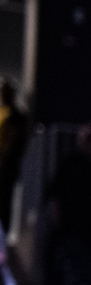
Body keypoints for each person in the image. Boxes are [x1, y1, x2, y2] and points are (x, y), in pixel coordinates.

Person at [0, 79, 32, 236]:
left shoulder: (17, 116)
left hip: (6, 169)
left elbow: (17, 144)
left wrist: (7, 164)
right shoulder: (3, 112)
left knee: (4, 205)